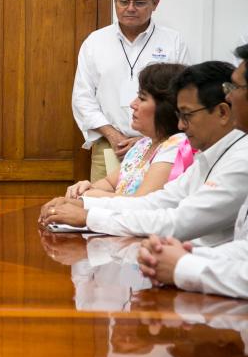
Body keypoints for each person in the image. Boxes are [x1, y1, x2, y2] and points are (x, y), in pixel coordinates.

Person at [41, 61, 248, 247]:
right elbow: (156, 202)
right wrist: (84, 204)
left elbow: (177, 221)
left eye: (187, 115)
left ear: (222, 112)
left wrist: (88, 216)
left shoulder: (240, 161)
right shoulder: (210, 156)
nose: (180, 125)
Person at [138, 44, 248, 298]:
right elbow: (243, 250)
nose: (228, 97)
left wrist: (182, 265)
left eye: (235, 88)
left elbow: (178, 222)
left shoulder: (241, 159)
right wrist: (186, 256)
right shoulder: (218, 153)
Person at [72, 0, 193, 182]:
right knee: (100, 207)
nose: (130, 9)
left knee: (152, 206)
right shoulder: (95, 42)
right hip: (109, 145)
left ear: (155, 3)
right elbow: (82, 98)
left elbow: (184, 97)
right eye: (123, 1)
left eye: (139, 3)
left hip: (161, 146)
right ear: (114, 0)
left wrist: (145, 139)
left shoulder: (173, 42)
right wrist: (112, 135)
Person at [66, 63, 189, 199]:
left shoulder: (177, 147)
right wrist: (85, 187)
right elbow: (110, 183)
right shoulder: (143, 144)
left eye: (142, 98)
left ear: (166, 106)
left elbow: (142, 203)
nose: (132, 104)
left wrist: (90, 195)